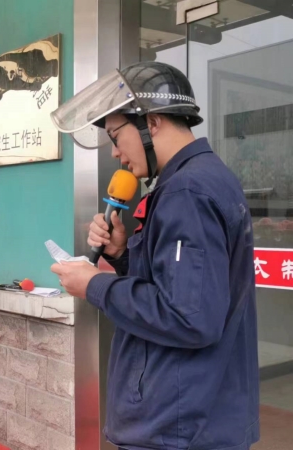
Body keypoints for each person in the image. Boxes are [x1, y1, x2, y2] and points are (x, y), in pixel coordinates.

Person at [49, 62, 259, 449]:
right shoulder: (203, 179)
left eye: (116, 136)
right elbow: (187, 289)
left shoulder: (187, 192)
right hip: (196, 413)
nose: (116, 153)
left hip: (177, 424)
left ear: (153, 122)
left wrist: (96, 285)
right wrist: (121, 254)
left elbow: (188, 317)